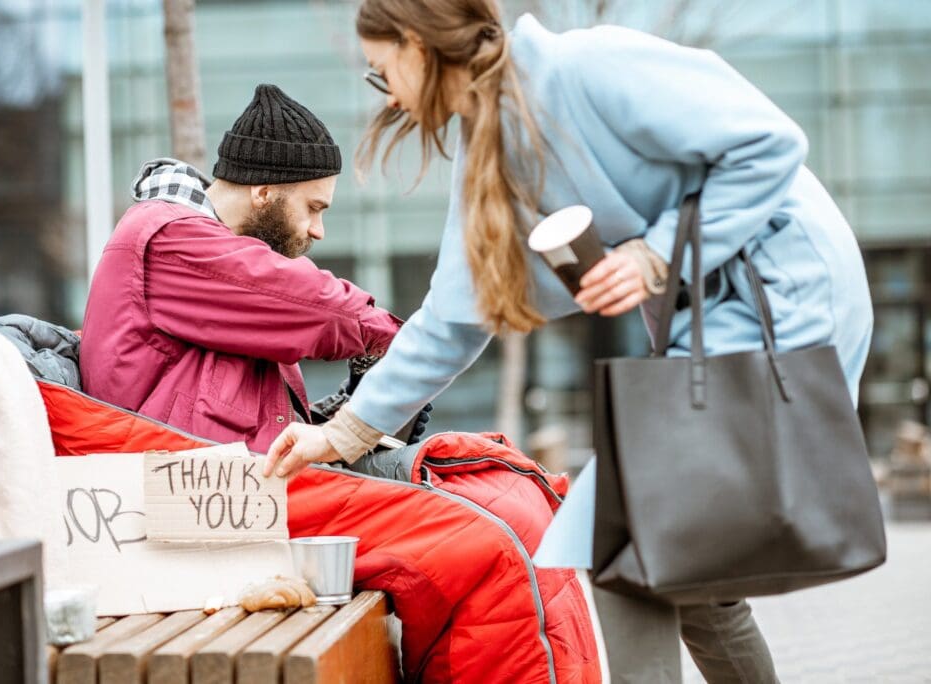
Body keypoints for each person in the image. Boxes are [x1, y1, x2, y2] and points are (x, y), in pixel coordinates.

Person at [263, 1, 874, 682]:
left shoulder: (587, 67)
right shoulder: (488, 141)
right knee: (679, 568)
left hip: (781, 292)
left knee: (617, 533)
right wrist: (341, 434)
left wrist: (653, 256)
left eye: (382, 71)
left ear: (416, 45)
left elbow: (771, 142)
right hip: (712, 322)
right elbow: (454, 317)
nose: (390, 94)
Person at [80, 83, 422, 453]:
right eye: (313, 207)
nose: (317, 230)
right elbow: (321, 307)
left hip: (216, 489)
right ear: (263, 193)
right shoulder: (170, 238)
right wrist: (401, 344)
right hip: (176, 495)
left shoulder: (217, 270)